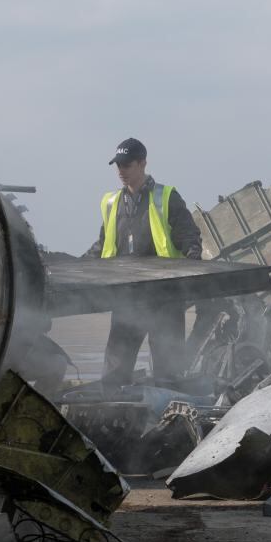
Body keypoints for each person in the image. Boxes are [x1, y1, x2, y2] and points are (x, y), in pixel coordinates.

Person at [87, 137, 202, 392]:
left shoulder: (166, 197)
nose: (121, 171)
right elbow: (103, 246)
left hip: (165, 300)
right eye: (118, 165)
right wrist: (75, 269)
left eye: (127, 165)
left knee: (167, 375)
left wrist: (193, 268)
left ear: (143, 163)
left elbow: (189, 237)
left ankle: (170, 426)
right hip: (126, 301)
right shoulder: (111, 203)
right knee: (113, 377)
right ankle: (111, 422)